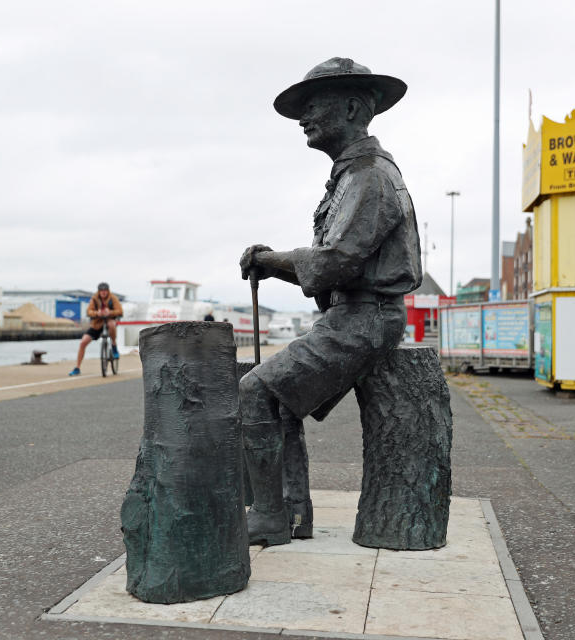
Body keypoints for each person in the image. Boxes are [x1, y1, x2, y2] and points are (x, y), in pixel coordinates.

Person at [238, 58, 422, 545]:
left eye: (313, 105)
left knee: (254, 391)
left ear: (351, 107)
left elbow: (336, 261)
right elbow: (332, 262)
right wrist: (276, 262)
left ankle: (271, 516)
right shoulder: (352, 175)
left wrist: (272, 259)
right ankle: (290, 513)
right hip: (352, 314)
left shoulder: (370, 176)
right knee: (275, 401)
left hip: (366, 317)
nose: (304, 118)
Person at [69, 282, 123, 376]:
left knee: (112, 325)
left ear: (108, 291)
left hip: (109, 321)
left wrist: (109, 312)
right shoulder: (94, 298)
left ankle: (114, 346)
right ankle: (77, 368)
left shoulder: (113, 298)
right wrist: (97, 313)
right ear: (99, 291)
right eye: (101, 291)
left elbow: (120, 311)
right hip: (97, 324)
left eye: (105, 291)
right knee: (83, 342)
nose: (103, 293)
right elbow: (89, 311)